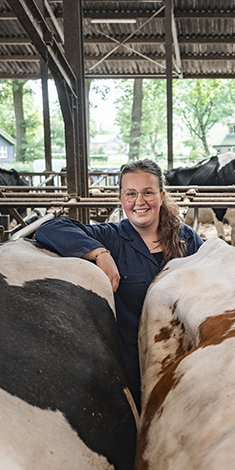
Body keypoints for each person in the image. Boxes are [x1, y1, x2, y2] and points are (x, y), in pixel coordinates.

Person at [35, 159, 203, 409]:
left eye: (148, 192)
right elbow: (50, 228)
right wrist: (99, 253)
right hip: (131, 362)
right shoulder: (109, 236)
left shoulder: (186, 237)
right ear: (121, 198)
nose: (140, 201)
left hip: (182, 357)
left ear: (161, 195)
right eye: (131, 193)